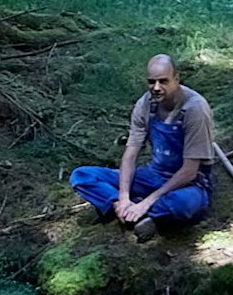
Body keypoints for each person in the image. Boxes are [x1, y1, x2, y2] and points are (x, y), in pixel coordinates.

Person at [70, 54, 215, 242]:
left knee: (185, 203)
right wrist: (122, 198)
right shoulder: (145, 104)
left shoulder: (195, 109)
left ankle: (147, 214)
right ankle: (124, 211)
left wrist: (147, 202)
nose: (156, 88)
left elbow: (189, 171)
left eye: (163, 81)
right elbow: (130, 155)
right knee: (82, 175)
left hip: (190, 182)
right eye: (151, 82)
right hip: (154, 175)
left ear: (177, 79)